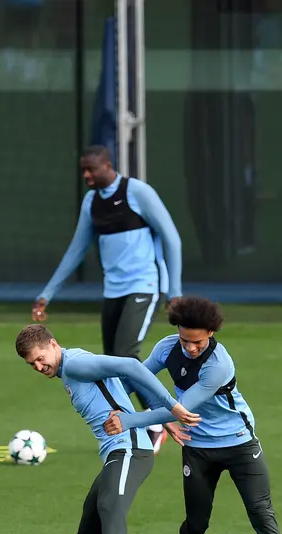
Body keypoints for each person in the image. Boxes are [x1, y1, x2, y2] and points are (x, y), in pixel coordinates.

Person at [104, 296, 282, 534]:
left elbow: (182, 407)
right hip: (197, 448)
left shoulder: (218, 364)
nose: (190, 348)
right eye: (185, 340)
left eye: (197, 342)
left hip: (239, 444)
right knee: (196, 523)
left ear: (210, 333)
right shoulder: (168, 348)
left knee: (262, 516)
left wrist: (128, 420)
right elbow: (136, 379)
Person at [15, 324, 201, 534]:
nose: (39, 367)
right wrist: (162, 417)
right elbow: (123, 383)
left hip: (130, 449)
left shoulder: (75, 363)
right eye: (32, 364)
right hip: (117, 452)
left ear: (53, 344)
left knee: (109, 504)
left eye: (40, 358)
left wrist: (171, 408)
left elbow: (130, 365)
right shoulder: (68, 370)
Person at [31, 145, 184, 452]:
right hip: (113, 291)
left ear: (107, 166)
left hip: (144, 286)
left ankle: (154, 423)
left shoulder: (138, 192)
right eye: (83, 171)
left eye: (91, 170)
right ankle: (131, 422)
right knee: (114, 360)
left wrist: (175, 292)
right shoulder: (92, 202)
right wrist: (47, 293)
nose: (86, 176)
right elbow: (77, 249)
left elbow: (171, 238)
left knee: (126, 356)